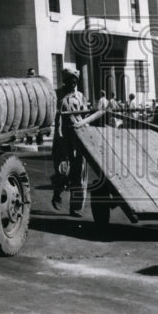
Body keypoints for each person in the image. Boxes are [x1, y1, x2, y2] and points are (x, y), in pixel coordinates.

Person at [52, 72, 89, 216]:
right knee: (62, 169)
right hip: (62, 137)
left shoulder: (80, 96)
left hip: (78, 137)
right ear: (65, 82)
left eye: (75, 82)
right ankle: (57, 193)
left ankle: (75, 207)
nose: (72, 84)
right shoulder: (57, 95)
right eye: (70, 82)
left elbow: (85, 115)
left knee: (78, 172)